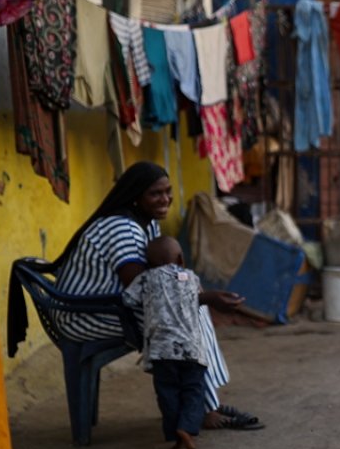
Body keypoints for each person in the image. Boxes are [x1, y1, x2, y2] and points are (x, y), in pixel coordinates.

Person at [39, 161, 261, 431]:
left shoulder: (146, 225)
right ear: (136, 197)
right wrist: (207, 298)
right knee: (183, 316)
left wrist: (200, 295)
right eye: (155, 193)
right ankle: (204, 408)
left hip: (110, 306)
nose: (165, 199)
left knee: (188, 309)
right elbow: (148, 291)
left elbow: (157, 288)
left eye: (168, 191)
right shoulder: (122, 228)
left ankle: (204, 402)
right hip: (84, 315)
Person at [122, 236, 209, 449]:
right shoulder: (191, 277)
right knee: (194, 390)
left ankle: (174, 432)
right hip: (192, 350)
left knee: (167, 392)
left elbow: (128, 300)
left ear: (149, 263)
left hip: (161, 352)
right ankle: (187, 428)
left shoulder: (145, 279)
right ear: (180, 258)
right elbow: (200, 298)